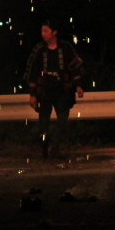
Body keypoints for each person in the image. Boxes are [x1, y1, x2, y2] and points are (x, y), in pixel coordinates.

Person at [24, 20, 84, 159]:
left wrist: (79, 85)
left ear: (54, 32)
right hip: (44, 90)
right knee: (43, 122)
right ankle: (44, 149)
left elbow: (76, 67)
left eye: (46, 30)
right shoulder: (39, 49)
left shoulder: (66, 48)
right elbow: (32, 72)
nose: (43, 34)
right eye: (42, 31)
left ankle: (55, 146)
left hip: (62, 90)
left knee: (63, 119)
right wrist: (32, 94)